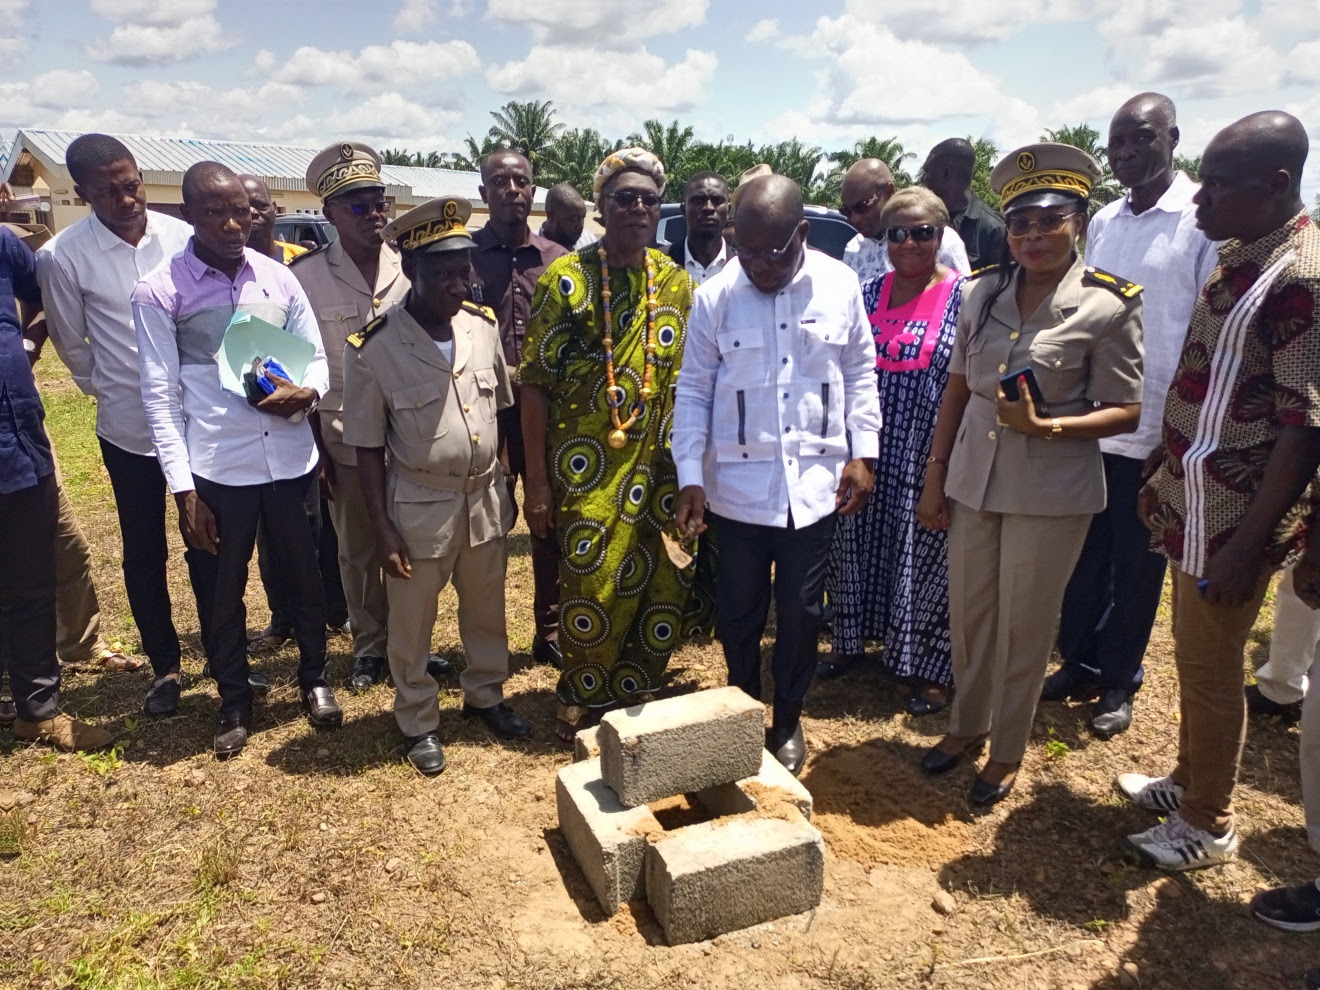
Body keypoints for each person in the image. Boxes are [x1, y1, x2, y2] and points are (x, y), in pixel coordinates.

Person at [916, 143, 1144, 808]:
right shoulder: (982, 292)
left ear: (1080, 219)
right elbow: (958, 390)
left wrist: (1049, 429)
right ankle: (965, 725)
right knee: (972, 613)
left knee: (1024, 622)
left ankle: (1006, 749)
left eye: (1050, 220)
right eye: (1021, 223)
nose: (1034, 236)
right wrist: (936, 474)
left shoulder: (1109, 304)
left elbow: (1126, 411)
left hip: (1050, 487)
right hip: (975, 475)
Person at [1122, 111, 1320, 870]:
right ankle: (1185, 781)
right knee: (1193, 657)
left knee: (1210, 670)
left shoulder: (1299, 276)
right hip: (1193, 497)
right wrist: (1162, 471)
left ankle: (1209, 820)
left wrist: (1246, 545)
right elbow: (1205, 382)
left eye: (1219, 188)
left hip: (1234, 518)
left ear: (1276, 185)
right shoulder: (1239, 255)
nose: (1199, 203)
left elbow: (1303, 427)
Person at [673, 174, 882, 775]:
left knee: (800, 612)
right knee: (739, 612)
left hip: (813, 491)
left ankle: (787, 719)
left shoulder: (839, 285)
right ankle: (743, 711)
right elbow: (694, 390)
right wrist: (691, 474)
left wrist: (862, 453)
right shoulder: (715, 296)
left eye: (774, 252)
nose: (760, 266)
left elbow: (860, 372)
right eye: (748, 251)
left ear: (804, 234)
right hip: (735, 493)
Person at [133, 162, 337, 758]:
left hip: (291, 460)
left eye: (241, 212)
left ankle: (315, 680)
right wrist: (183, 491)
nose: (231, 224)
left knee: (306, 578)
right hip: (219, 468)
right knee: (220, 590)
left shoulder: (279, 279)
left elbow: (318, 359)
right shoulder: (160, 290)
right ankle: (233, 698)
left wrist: (311, 391)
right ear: (187, 215)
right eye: (214, 212)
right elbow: (160, 396)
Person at [520, 148, 712, 746]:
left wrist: (693, 472)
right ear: (601, 209)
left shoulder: (675, 283)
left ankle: (636, 688)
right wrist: (539, 484)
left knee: (663, 576)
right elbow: (534, 384)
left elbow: (695, 381)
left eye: (647, 200)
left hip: (661, 462)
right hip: (585, 468)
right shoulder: (567, 280)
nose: (636, 207)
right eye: (623, 198)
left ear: (659, 210)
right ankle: (582, 695)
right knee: (593, 580)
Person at [1042, 93, 1220, 738]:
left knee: (1137, 563)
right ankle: (1079, 664)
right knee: (1082, 557)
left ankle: (1119, 681)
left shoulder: (1201, 220)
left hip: (1155, 431)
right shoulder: (1107, 221)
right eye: (1116, 143)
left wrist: (1177, 435)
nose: (1126, 154)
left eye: (1140, 139)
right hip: (1092, 422)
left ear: (1173, 136)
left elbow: (1205, 333)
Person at [344, 196, 532, 775]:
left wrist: (505, 483)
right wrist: (382, 526)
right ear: (411, 271)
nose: (459, 284)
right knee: (412, 622)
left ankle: (486, 695)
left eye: (464, 270)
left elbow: (500, 409)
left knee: (485, 609)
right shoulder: (374, 349)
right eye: (443, 273)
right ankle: (419, 718)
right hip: (417, 506)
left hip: (482, 498)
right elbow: (368, 448)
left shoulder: (481, 328)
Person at [36, 134, 195, 716]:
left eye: (132, 185)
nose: (128, 199)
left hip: (196, 420)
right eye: (109, 192)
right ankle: (166, 667)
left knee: (208, 540)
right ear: (82, 194)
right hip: (128, 427)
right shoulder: (62, 255)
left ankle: (226, 656)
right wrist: (109, 389)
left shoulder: (181, 238)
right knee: (143, 548)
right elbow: (71, 342)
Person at [824, 186, 963, 713]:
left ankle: (926, 667)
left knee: (924, 551)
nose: (908, 243)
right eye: (896, 233)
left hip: (925, 446)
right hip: (867, 443)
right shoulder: (865, 292)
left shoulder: (965, 296)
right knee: (853, 540)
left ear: (941, 235)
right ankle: (850, 641)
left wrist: (942, 464)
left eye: (922, 233)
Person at [292, 142, 409, 694]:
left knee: (413, 538)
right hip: (341, 432)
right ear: (330, 214)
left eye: (377, 201)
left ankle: (413, 640)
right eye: (357, 206)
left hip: (412, 429)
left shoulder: (410, 265)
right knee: (358, 545)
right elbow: (302, 368)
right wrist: (315, 449)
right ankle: (369, 645)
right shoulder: (306, 278)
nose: (373, 213)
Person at [1, 221, 112, 751]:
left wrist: (24, 341)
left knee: (31, 583)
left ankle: (37, 711)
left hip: (18, 448)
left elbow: (38, 297)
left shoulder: (3, 244)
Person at [237, 173, 349, 658]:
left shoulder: (296, 268)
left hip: (310, 411)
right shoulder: (230, 275)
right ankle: (283, 615)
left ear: (272, 208)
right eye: (243, 206)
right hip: (253, 420)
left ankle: (335, 610)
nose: (252, 214)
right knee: (271, 532)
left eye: (260, 205)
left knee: (320, 527)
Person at [470, 150, 567, 667]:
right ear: (483, 193)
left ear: (534, 192)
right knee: (489, 527)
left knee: (546, 519)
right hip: (484, 413)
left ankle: (549, 628)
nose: (512, 188)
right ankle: (487, 639)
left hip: (547, 411)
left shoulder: (556, 258)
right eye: (500, 181)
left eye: (522, 181)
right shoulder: (464, 257)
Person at [841, 159, 970, 282]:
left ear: (889, 192)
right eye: (846, 211)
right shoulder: (853, 250)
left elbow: (963, 296)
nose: (854, 218)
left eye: (861, 207)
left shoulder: (939, 240)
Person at [920, 138, 1006, 271]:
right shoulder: (921, 222)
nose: (922, 179)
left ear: (946, 173)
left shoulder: (994, 229)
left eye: (927, 172)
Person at [666, 172, 730, 285]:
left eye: (717, 200)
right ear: (683, 210)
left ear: (728, 210)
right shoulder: (660, 262)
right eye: (699, 201)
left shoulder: (743, 266)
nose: (708, 208)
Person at [540, 182, 594, 251]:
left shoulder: (589, 241)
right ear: (551, 216)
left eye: (583, 217)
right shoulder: (531, 250)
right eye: (574, 219)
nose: (581, 225)